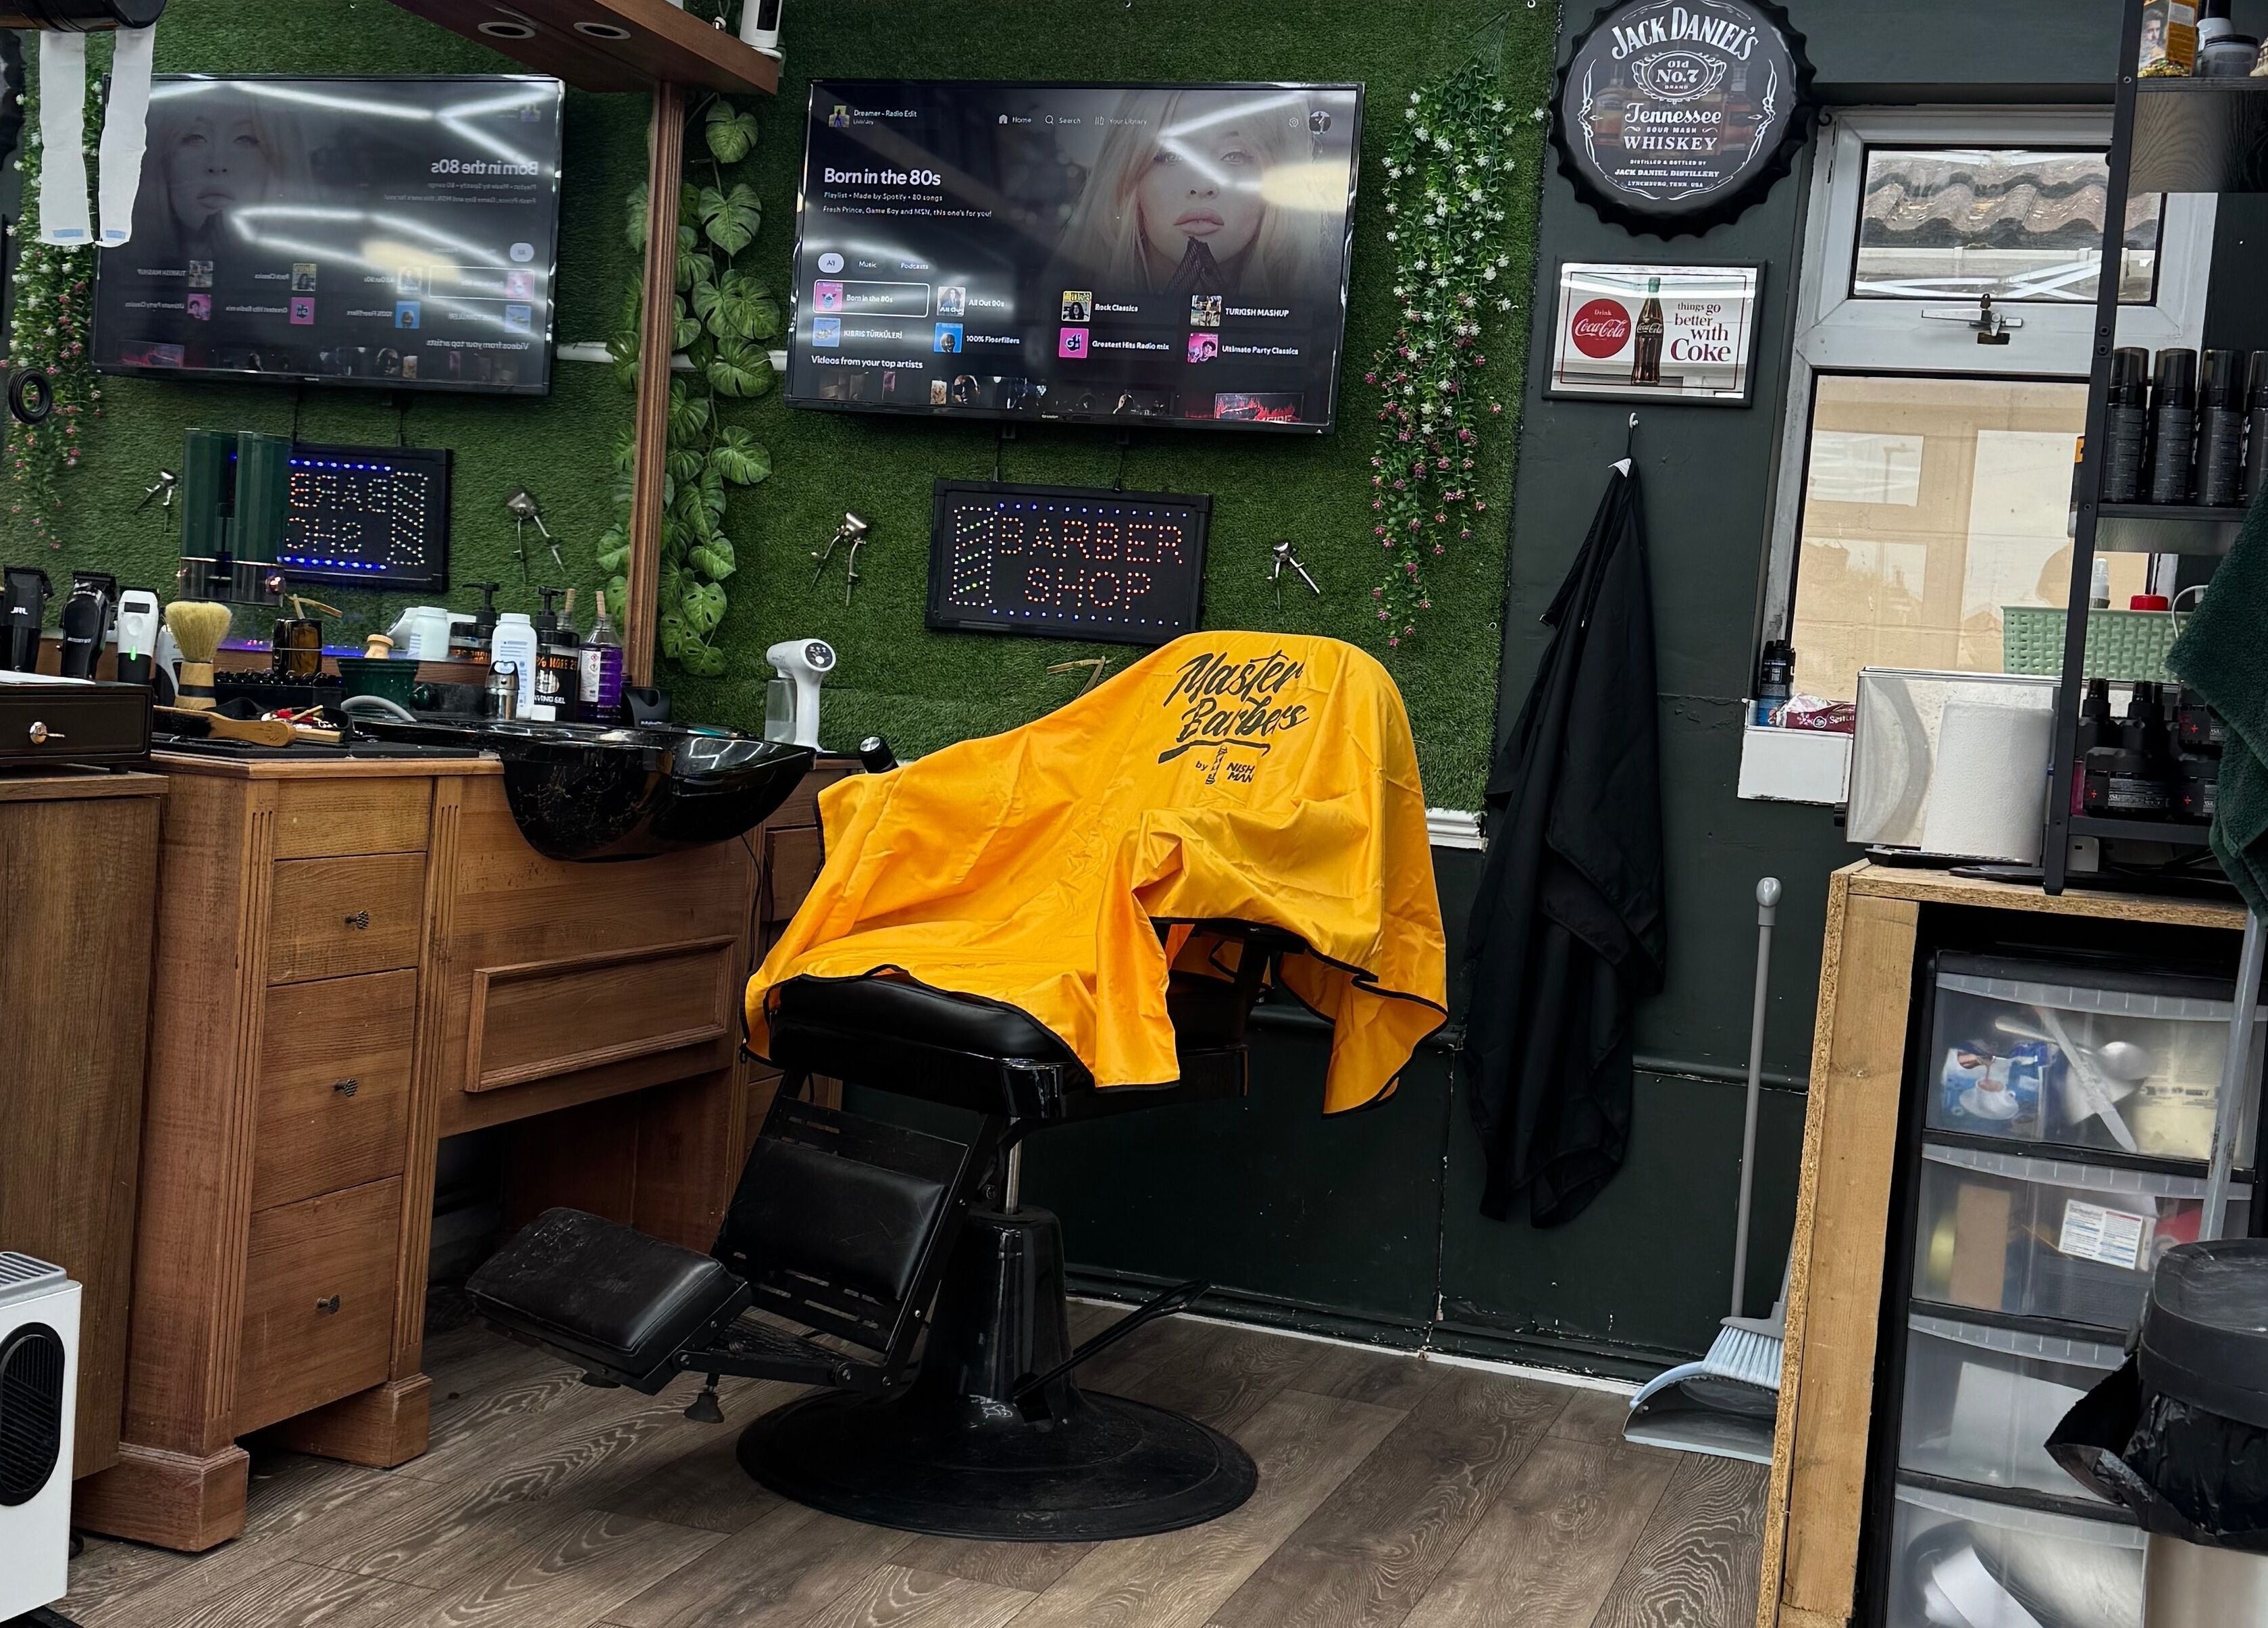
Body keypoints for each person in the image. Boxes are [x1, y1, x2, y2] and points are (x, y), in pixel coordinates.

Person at [1050, 88, 1335, 300]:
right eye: (1170, 156)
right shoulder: (1062, 299)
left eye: (1234, 155)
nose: (1202, 185)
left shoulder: (1314, 317)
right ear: (1129, 174)